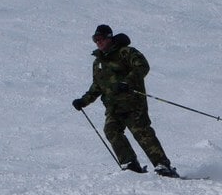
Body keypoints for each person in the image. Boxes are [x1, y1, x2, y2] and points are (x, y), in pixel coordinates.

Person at [72, 24, 178, 177]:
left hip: (133, 103)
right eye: (95, 39)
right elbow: (97, 86)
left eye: (100, 38)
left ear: (109, 37)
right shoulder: (98, 62)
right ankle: (130, 164)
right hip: (113, 106)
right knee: (111, 130)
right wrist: (83, 101)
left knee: (142, 132)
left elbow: (142, 66)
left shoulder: (126, 52)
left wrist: (127, 82)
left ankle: (163, 165)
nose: (98, 42)